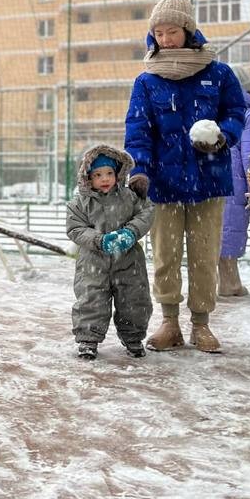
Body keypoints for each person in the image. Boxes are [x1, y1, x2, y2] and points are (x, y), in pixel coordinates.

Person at [124, 0, 246, 353]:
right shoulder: (147, 81)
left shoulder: (218, 74)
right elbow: (138, 130)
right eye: (159, 33)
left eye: (172, 31)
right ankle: (169, 322)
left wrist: (223, 137)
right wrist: (140, 171)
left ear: (189, 30)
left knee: (204, 255)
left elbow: (236, 114)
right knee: (165, 256)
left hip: (209, 180)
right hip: (164, 183)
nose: (165, 39)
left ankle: (202, 324)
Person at [66, 145, 154, 361]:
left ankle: (133, 337)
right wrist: (99, 240)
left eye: (109, 173)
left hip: (128, 260)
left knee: (134, 298)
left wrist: (130, 233)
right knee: (91, 298)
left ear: (117, 174)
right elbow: (75, 228)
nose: (104, 178)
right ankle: (88, 339)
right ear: (88, 177)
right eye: (97, 174)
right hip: (93, 261)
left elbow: (146, 212)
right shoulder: (80, 202)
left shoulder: (128, 197)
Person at [218, 65, 250, 297]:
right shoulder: (248, 115)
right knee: (231, 232)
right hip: (235, 185)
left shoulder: (216, 111)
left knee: (219, 234)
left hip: (213, 181)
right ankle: (230, 284)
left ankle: (226, 282)